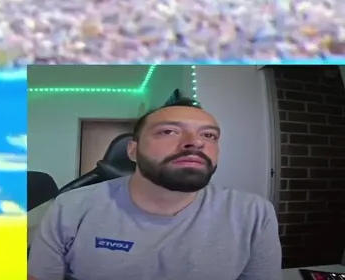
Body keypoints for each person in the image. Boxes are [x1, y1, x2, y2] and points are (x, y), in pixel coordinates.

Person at [28, 99, 282, 280]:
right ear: (132, 150)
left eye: (209, 135)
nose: (195, 142)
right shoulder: (71, 207)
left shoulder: (254, 213)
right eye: (169, 131)